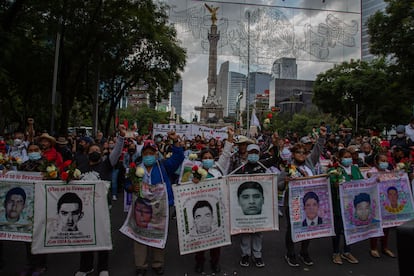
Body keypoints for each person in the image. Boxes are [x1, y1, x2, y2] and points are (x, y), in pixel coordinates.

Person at [125, 131, 184, 276]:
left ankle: (158, 263)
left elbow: (179, 157)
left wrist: (175, 141)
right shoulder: (136, 168)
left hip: (161, 207)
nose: (149, 156)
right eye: (146, 153)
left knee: (158, 233)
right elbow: (127, 184)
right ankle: (141, 265)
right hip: (142, 207)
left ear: (156, 154)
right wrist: (133, 187)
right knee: (140, 235)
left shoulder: (163, 166)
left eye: (151, 153)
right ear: (142, 155)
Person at [74, 124, 126, 276]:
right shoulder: (81, 166)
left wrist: (121, 137)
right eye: (92, 151)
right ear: (87, 153)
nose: (95, 153)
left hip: (103, 208)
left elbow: (116, 153)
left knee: (102, 236)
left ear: (102, 153)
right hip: (84, 209)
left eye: (98, 151)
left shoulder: (106, 165)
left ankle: (103, 268)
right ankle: (85, 267)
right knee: (85, 237)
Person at [190, 127, 234, 274]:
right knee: (200, 238)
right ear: (201, 160)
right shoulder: (194, 172)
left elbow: (227, 154)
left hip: (216, 209)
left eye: (210, 157)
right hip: (200, 210)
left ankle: (215, 262)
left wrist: (230, 138)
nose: (207, 159)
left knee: (216, 238)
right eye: (205, 157)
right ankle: (199, 261)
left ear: (213, 159)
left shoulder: (218, 168)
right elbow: (186, 190)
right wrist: (193, 181)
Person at [281, 126, 327, 267]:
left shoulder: (310, 163)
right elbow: (278, 185)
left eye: (304, 152)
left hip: (309, 202)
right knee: (292, 228)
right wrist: (286, 181)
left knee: (308, 227)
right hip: (292, 203)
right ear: (293, 154)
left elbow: (317, 149)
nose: (301, 154)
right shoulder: (289, 167)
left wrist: (322, 137)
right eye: (298, 152)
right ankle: (290, 253)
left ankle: (304, 252)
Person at [328, 148, 363, 265]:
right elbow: (332, 182)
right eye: (346, 157)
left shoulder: (355, 168)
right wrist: (336, 184)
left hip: (353, 206)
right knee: (338, 230)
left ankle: (347, 251)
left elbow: (362, 182)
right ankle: (336, 252)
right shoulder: (334, 170)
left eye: (350, 157)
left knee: (350, 229)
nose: (349, 159)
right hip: (339, 206)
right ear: (340, 158)